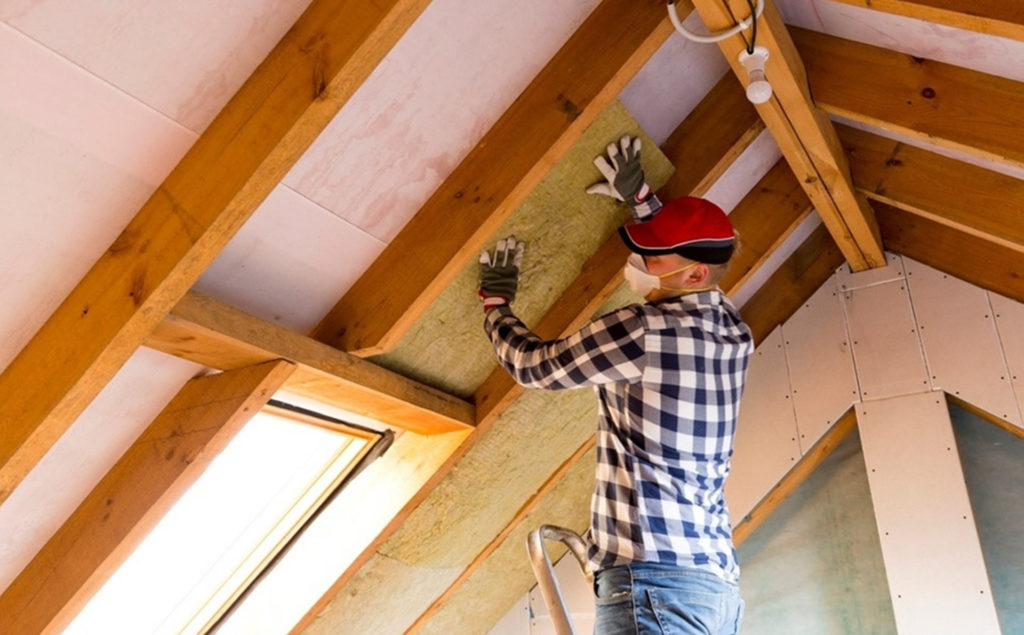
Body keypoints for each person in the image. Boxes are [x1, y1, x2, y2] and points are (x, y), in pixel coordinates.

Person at [478, 136, 753, 634]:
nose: (643, 265)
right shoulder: (734, 331)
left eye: (655, 258)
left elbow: (535, 367)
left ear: (694, 274)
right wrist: (645, 202)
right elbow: (697, 259)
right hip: (713, 587)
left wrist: (495, 308)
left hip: (655, 586)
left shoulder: (644, 331)